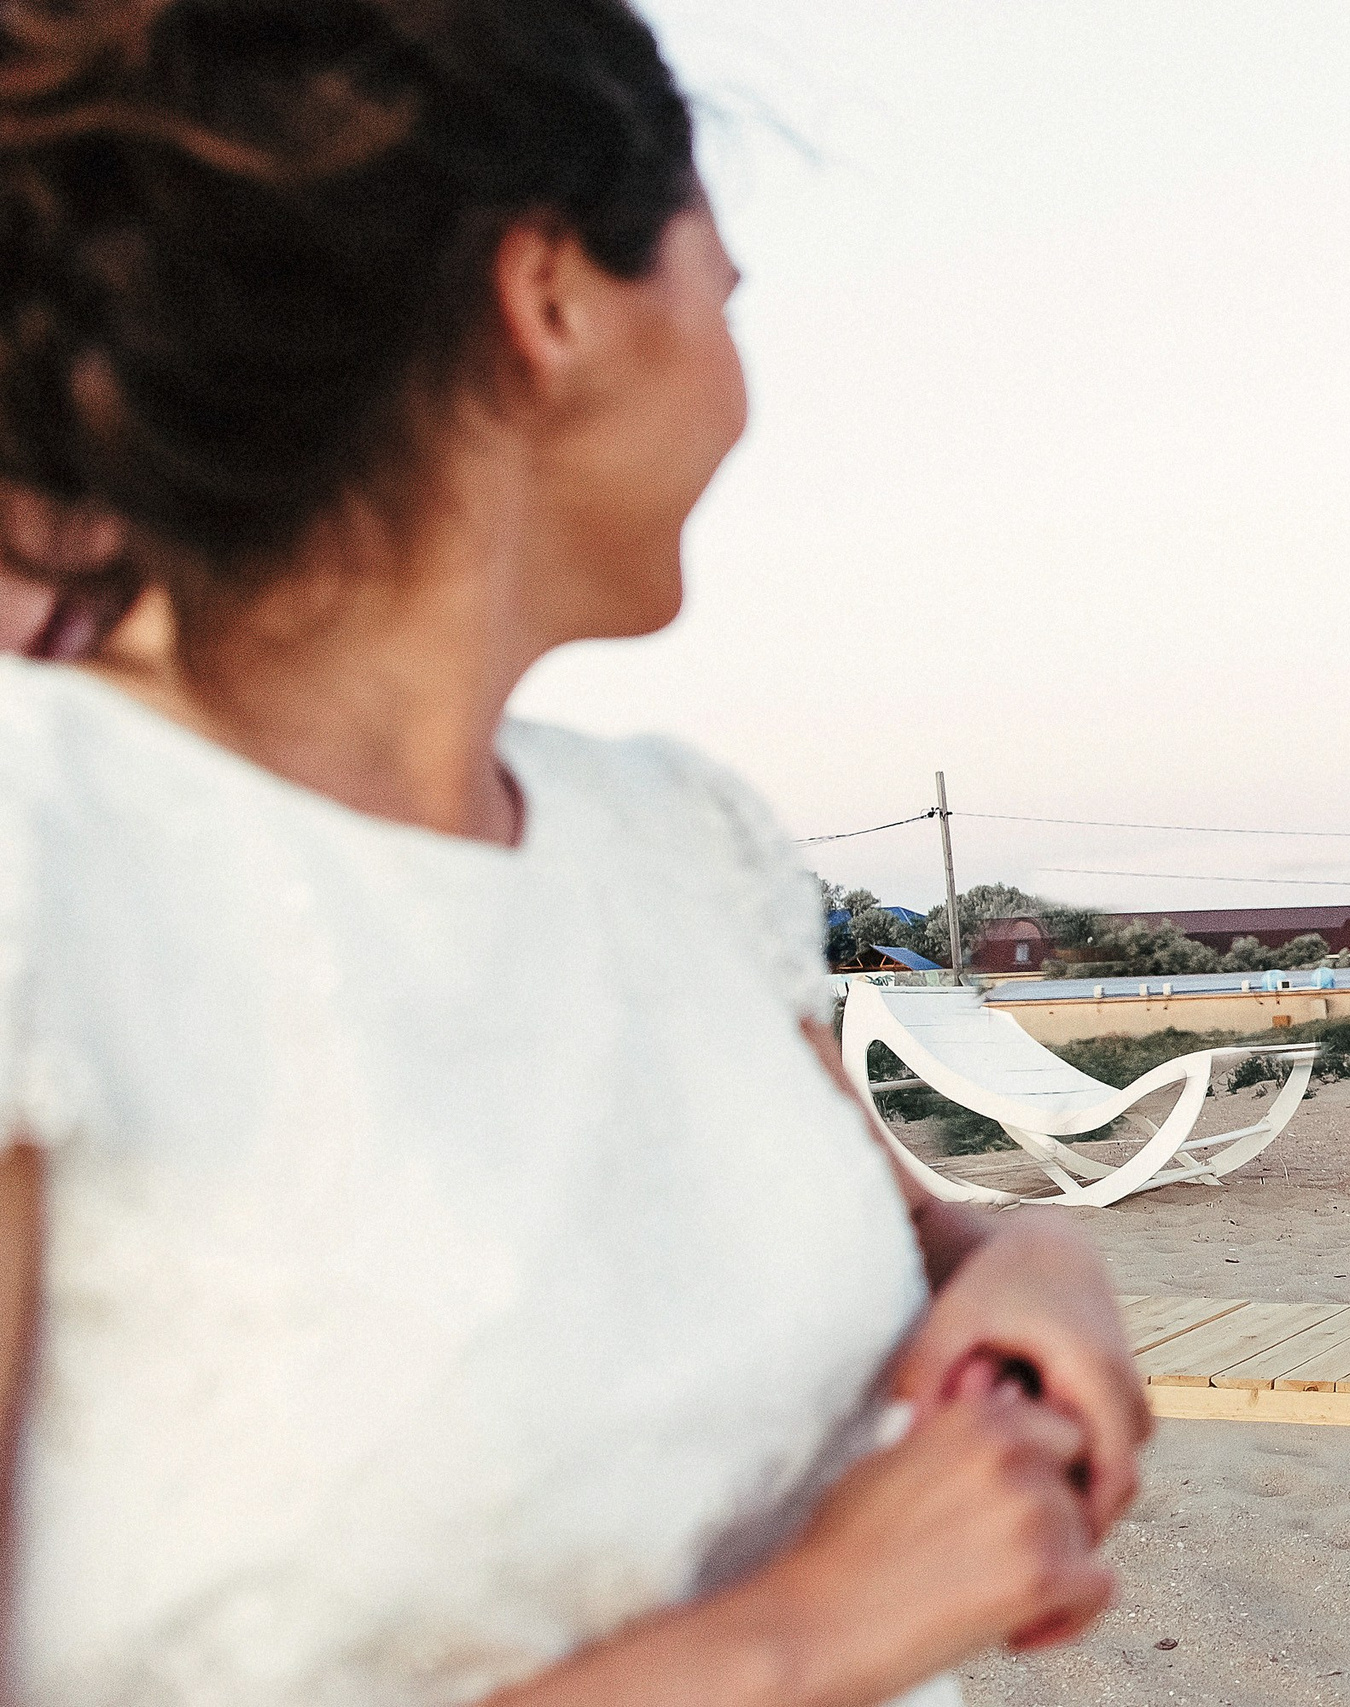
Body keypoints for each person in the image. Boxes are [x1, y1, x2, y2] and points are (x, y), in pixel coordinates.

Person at [0, 4, 1146, 1703]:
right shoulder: (52, 854)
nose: (749, 388)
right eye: (727, 295)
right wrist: (805, 1630)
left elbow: (912, 1234)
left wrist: (1043, 1277)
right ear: (549, 301)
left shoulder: (672, 836)